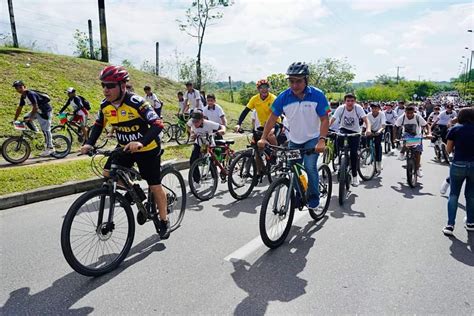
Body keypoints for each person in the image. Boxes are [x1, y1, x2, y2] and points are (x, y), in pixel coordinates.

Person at [80, 66, 171, 240]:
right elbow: (99, 125)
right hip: (124, 147)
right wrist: (89, 143)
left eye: (110, 85)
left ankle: (164, 219)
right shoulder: (105, 105)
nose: (106, 89)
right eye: (103, 85)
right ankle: (136, 191)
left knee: (154, 185)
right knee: (107, 173)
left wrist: (141, 142)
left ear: (123, 86)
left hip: (148, 149)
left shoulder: (136, 102)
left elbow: (158, 124)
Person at [258, 62, 330, 211]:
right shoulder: (284, 97)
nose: (295, 85)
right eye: (291, 81)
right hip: (295, 140)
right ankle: (300, 193)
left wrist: (322, 140)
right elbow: (272, 118)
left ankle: (314, 197)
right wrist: (264, 137)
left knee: (310, 167)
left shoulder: (318, 95)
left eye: (298, 81)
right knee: (292, 169)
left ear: (306, 80)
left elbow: (324, 119)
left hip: (313, 139)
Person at [442, 107, 474, 236]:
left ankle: (450, 225)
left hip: (458, 164)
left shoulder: (455, 129)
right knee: (471, 195)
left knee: (454, 194)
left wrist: (444, 146)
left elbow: (448, 150)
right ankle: (471, 222)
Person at [330, 93, 371, 186]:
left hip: (355, 132)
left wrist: (368, 129)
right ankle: (338, 156)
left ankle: (355, 177)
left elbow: (366, 120)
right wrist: (324, 130)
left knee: (353, 154)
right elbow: (332, 120)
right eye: (348, 101)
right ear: (345, 101)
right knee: (337, 138)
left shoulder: (358, 108)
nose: (350, 103)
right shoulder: (341, 108)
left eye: (352, 101)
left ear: (355, 101)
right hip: (343, 129)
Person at [12, 80, 54, 157]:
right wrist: (15, 119)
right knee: (26, 118)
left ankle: (50, 148)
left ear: (24, 86)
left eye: (20, 87)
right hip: (37, 111)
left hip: (45, 112)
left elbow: (35, 107)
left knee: (46, 130)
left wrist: (31, 118)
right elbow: (19, 108)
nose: (19, 90)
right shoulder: (23, 96)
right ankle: (37, 133)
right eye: (16, 88)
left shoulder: (30, 94)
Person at [234, 79, 278, 145]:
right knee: (254, 143)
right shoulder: (255, 99)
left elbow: (276, 113)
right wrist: (239, 124)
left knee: (269, 135)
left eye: (266, 87)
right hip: (263, 125)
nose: (264, 89)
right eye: (261, 88)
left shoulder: (273, 99)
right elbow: (245, 111)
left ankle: (275, 153)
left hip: (275, 123)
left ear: (268, 88)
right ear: (258, 89)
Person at [187, 111, 226, 184]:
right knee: (193, 160)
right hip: (198, 143)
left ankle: (214, 178)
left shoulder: (209, 123)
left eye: (197, 122)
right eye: (193, 121)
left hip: (209, 144)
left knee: (211, 161)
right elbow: (188, 126)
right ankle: (196, 181)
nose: (195, 124)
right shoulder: (191, 121)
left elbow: (222, 126)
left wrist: (222, 130)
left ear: (202, 120)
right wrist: (192, 133)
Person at [394, 105, 431, 178]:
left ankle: (417, 169)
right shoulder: (402, 117)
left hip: (417, 135)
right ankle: (402, 153)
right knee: (406, 141)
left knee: (418, 153)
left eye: (411, 113)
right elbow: (395, 126)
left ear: (414, 112)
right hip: (407, 135)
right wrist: (394, 137)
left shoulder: (417, 117)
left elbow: (427, 125)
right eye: (408, 113)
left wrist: (429, 133)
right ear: (405, 112)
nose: (409, 115)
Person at [367, 103, 386, 170]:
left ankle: (379, 162)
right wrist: (364, 131)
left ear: (379, 109)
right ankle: (368, 154)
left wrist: (379, 131)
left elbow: (383, 125)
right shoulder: (368, 115)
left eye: (376, 108)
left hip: (379, 131)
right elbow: (365, 125)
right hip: (370, 131)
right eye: (372, 108)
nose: (374, 110)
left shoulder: (382, 114)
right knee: (366, 143)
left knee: (378, 146)